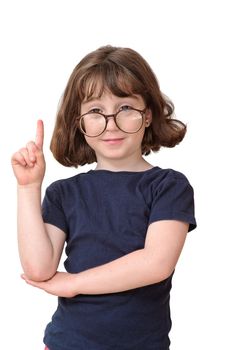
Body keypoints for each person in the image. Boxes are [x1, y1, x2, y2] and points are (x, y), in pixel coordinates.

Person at [11, 45, 196, 350]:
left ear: (147, 115)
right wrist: (28, 188)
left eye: (125, 107)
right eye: (96, 111)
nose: (111, 123)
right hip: (66, 343)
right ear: (79, 123)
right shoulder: (63, 193)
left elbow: (156, 263)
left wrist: (74, 283)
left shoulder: (169, 186)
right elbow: (39, 269)